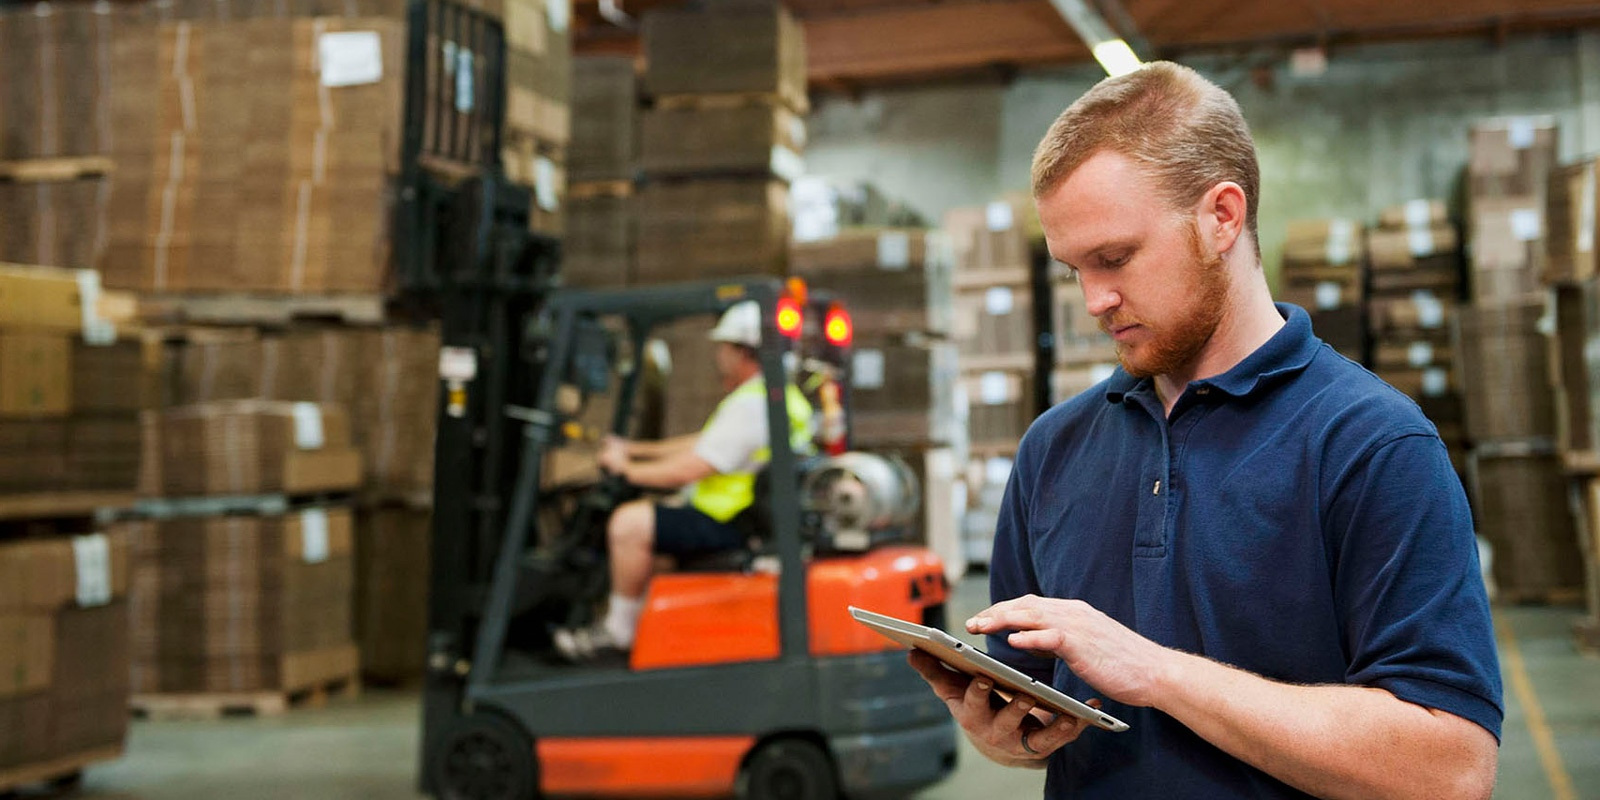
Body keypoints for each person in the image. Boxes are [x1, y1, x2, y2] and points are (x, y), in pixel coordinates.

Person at [909, 62, 1501, 799]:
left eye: (1115, 258)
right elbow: (1034, 712)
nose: (1094, 300)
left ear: (1221, 216)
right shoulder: (1053, 451)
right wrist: (1006, 737)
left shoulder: (1372, 445)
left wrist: (1156, 673)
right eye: (1074, 270)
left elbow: (1451, 769)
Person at [555, 300, 814, 661]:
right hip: (739, 515)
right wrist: (635, 450)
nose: (718, 357)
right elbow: (700, 443)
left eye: (722, 348)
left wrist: (626, 470)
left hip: (730, 520)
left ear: (742, 352)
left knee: (628, 524)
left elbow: (690, 468)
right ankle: (642, 626)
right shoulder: (774, 397)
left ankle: (617, 632)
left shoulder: (753, 404)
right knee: (654, 539)